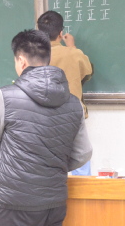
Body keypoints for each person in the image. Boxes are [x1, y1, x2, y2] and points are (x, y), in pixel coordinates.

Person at [0, 29, 92, 226]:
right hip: (54, 204)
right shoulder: (74, 103)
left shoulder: (6, 96)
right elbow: (83, 153)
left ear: (22, 61)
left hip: (13, 203)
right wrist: (51, 165)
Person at [37, 10, 93, 175]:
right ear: (61, 33)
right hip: (72, 114)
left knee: (45, 162)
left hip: (42, 115)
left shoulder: (34, 56)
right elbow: (87, 71)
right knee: (80, 162)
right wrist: (72, 47)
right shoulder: (73, 54)